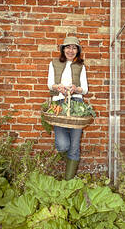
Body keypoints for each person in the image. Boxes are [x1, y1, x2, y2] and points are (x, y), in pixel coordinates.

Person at [47, 36, 88, 180]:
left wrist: (76, 89)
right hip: (59, 103)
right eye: (68, 47)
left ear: (78, 50)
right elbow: (49, 84)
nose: (71, 50)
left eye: (74, 47)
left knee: (75, 146)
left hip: (76, 104)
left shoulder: (80, 66)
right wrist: (58, 87)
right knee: (63, 145)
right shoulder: (54, 63)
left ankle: (68, 183)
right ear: (63, 49)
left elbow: (85, 89)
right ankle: (67, 159)